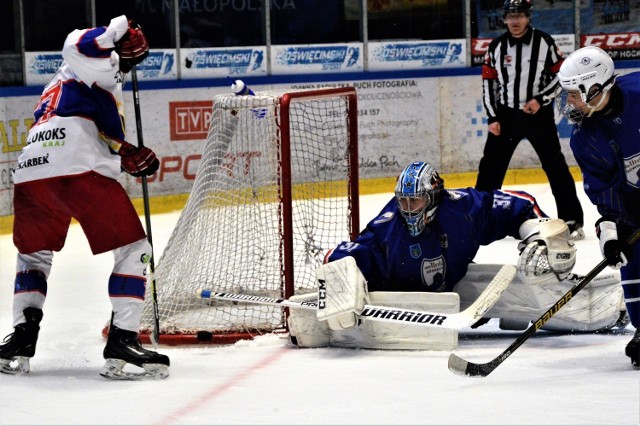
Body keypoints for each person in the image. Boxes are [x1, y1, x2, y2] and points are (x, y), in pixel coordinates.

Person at [287, 161, 627, 350]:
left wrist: (536, 236)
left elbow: (516, 206)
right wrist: (338, 278)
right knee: (331, 318)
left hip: (457, 281)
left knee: (536, 280)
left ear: (434, 196)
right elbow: (350, 255)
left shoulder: (463, 208)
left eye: (415, 202)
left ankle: (607, 310)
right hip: (405, 297)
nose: (407, 210)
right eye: (403, 202)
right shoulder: (388, 228)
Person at [0, 16, 169, 380]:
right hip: (76, 166)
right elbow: (76, 41)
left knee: (33, 254)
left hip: (31, 167)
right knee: (133, 248)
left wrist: (126, 153)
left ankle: (21, 339)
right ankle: (123, 340)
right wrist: (116, 32)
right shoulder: (97, 63)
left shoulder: (63, 83)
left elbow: (92, 128)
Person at [556, 45, 640, 369]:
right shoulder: (585, 139)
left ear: (594, 88)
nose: (570, 103)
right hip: (635, 203)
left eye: (574, 95)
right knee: (632, 247)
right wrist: (611, 231)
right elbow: (603, 192)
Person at [475, 0, 585, 240]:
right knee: (490, 169)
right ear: (504, 19)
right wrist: (492, 117)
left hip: (538, 115)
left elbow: (562, 76)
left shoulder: (545, 43)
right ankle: (478, 220)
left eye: (519, 16)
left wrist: (540, 99)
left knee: (555, 167)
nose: (515, 21)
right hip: (505, 116)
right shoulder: (496, 46)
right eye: (510, 16)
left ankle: (572, 219)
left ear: (528, 17)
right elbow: (488, 84)